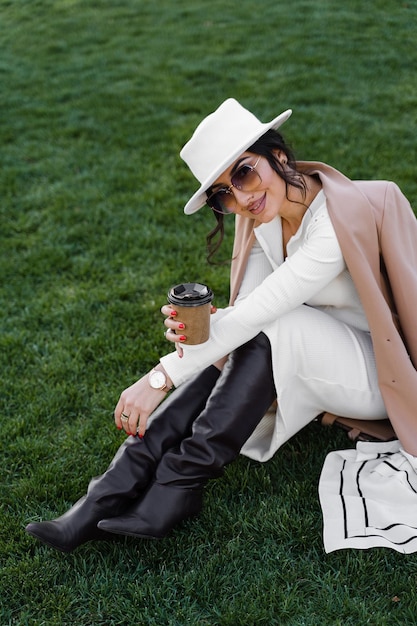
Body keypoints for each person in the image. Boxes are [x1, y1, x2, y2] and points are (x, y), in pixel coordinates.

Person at [26, 98, 417, 553]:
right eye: (222, 194)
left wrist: (161, 376)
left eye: (244, 172)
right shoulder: (260, 221)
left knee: (277, 323)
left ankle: (178, 484)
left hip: (381, 373)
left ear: (279, 157)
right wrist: (201, 336)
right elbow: (243, 318)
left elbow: (260, 312)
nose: (240, 197)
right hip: (318, 356)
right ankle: (106, 494)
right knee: (257, 330)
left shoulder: (334, 220)